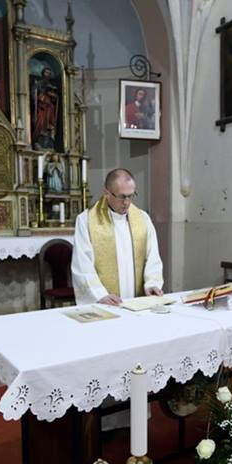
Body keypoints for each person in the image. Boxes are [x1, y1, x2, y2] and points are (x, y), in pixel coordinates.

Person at [71, 168, 163, 305]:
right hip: (105, 302)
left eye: (131, 196)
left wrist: (152, 284)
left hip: (137, 303)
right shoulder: (86, 221)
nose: (127, 202)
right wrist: (100, 295)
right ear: (107, 193)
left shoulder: (143, 219)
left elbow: (152, 256)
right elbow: (82, 263)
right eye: (122, 197)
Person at [32, 66, 59, 149]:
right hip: (41, 108)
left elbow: (55, 99)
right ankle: (38, 140)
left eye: (49, 73)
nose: (47, 75)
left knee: (49, 125)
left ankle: (49, 142)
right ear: (43, 73)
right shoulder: (38, 83)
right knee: (40, 123)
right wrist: (41, 96)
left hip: (49, 108)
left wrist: (54, 96)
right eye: (46, 73)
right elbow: (34, 94)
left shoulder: (51, 86)